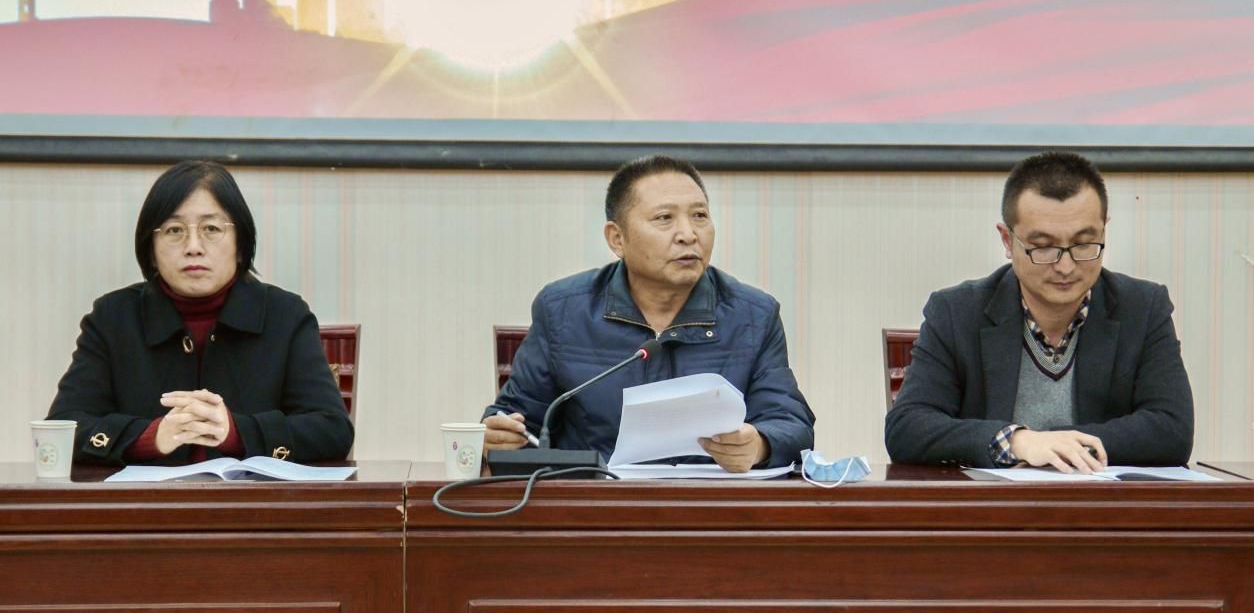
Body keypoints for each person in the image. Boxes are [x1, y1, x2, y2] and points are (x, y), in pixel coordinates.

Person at [483, 155, 814, 472]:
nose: (688, 234)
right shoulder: (564, 311)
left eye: (700, 215)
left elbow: (791, 423)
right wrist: (497, 434)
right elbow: (517, 419)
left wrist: (759, 445)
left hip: (712, 503)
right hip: (597, 500)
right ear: (617, 238)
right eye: (664, 218)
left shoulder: (753, 316)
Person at [885, 151, 1193, 472]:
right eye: (1044, 247)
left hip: (1103, 501)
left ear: (1104, 232)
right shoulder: (956, 312)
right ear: (1007, 240)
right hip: (993, 503)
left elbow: (1173, 429)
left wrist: (1061, 445)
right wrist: (1017, 441)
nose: (1066, 266)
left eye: (1083, 244)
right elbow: (907, 428)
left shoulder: (1143, 308)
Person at [47, 161, 353, 465]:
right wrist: (149, 436)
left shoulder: (285, 316)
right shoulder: (112, 318)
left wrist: (237, 432)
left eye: (211, 229)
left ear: (241, 245)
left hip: (253, 497)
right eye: (174, 230)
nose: (193, 247)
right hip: (147, 497)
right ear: (151, 250)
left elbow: (333, 430)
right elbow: (63, 428)